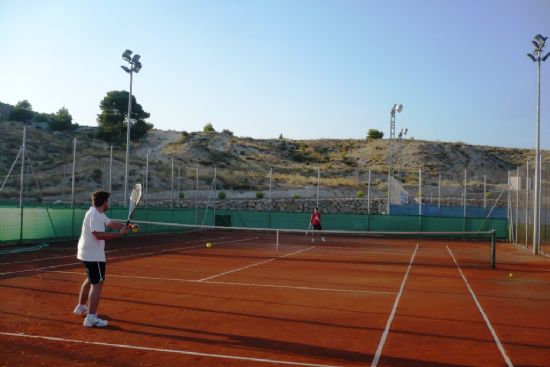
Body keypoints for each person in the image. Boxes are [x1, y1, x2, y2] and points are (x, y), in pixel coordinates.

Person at [73, 191, 129, 327]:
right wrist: (119, 234)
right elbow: (98, 235)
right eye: (108, 201)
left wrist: (123, 226)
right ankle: (91, 318)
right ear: (104, 202)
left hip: (86, 253)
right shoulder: (95, 215)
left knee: (90, 279)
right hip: (94, 255)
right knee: (97, 284)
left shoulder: (96, 213)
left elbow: (109, 223)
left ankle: (80, 307)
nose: (108, 203)